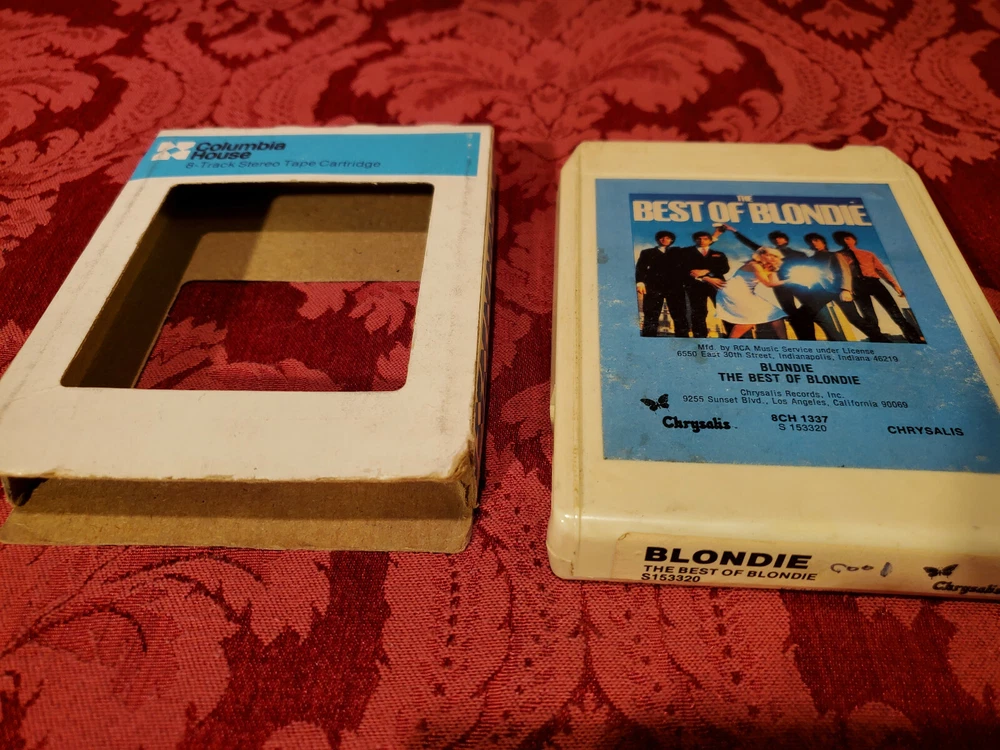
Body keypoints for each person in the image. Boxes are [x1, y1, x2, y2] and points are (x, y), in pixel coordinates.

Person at [789, 233, 886, 342]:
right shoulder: (811, 259)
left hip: (838, 290)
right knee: (802, 314)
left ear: (823, 242)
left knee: (853, 318)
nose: (813, 243)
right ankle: (811, 343)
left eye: (816, 240)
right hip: (821, 291)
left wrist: (846, 290)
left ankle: (882, 340)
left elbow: (845, 272)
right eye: (811, 242)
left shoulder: (834, 255)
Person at [833, 231, 923, 343]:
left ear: (854, 240)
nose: (845, 241)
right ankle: (879, 341)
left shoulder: (868, 254)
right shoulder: (838, 256)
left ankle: (915, 339)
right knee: (869, 316)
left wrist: (895, 286)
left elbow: (882, 271)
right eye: (842, 239)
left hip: (874, 283)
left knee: (895, 312)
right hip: (856, 285)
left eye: (847, 238)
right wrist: (846, 289)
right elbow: (839, 273)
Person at [724, 226, 813, 339]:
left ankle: (809, 336)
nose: (777, 240)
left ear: (786, 240)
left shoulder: (799, 254)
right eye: (774, 239)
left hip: (797, 283)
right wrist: (735, 231)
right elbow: (750, 243)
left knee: (808, 308)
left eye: (780, 238)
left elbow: (809, 267)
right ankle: (800, 339)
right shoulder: (767, 253)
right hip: (779, 285)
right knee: (789, 311)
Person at [715, 247, 789, 339]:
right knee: (750, 318)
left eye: (774, 256)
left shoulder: (770, 269)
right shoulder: (754, 265)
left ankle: (785, 342)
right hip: (733, 291)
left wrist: (774, 271)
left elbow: (773, 283)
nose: (771, 257)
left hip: (746, 292)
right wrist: (791, 280)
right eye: (768, 255)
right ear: (761, 255)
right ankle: (731, 342)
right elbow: (768, 283)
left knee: (776, 314)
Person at [634, 230, 689, 336]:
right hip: (653, 287)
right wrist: (640, 283)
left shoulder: (678, 251)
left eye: (667, 238)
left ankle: (683, 340)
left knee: (680, 315)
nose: (664, 240)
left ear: (671, 240)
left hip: (675, 288)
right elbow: (640, 268)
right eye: (662, 237)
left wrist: (715, 235)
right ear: (657, 240)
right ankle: (649, 339)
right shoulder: (647, 252)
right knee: (650, 315)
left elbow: (698, 248)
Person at [677, 227, 728, 338]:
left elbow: (724, 268)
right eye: (698, 239)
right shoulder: (686, 252)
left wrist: (707, 271)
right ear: (694, 240)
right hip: (695, 286)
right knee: (699, 311)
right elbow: (682, 268)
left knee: (724, 308)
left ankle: (733, 335)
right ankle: (700, 337)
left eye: (705, 239)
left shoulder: (719, 254)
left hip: (717, 285)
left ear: (710, 240)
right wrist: (703, 277)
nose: (701, 241)